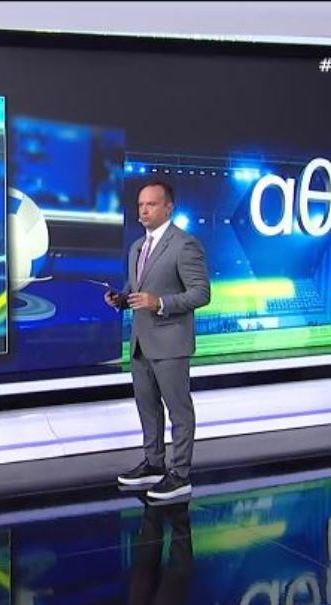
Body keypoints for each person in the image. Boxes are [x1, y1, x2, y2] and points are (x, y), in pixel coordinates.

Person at [105, 179, 210, 500]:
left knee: (179, 411)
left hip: (171, 343)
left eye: (151, 204)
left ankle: (180, 474)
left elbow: (201, 293)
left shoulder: (184, 245)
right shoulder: (137, 247)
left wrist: (160, 303)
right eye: (140, 205)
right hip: (141, 342)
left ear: (168, 208)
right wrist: (122, 299)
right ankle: (153, 463)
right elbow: (139, 290)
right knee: (147, 407)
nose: (144, 210)